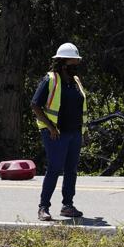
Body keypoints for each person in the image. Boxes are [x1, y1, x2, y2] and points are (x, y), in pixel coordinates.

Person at [30, 42, 87, 221]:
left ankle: (67, 206)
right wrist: (50, 127)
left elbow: (80, 107)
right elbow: (35, 105)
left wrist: (84, 131)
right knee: (54, 168)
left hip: (74, 133)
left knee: (71, 170)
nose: (76, 66)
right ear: (63, 63)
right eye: (73, 63)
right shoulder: (50, 79)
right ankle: (43, 207)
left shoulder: (76, 82)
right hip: (56, 133)